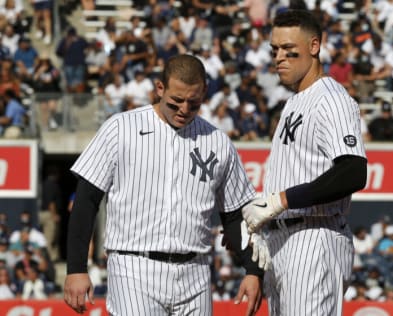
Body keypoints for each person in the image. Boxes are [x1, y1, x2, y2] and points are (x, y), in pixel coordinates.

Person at [64, 54, 268, 316]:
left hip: (196, 271)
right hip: (134, 267)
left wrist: (253, 271)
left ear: (205, 91)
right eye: (176, 102)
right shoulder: (120, 128)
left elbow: (234, 214)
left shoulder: (217, 141)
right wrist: (77, 268)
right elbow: (86, 201)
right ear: (160, 88)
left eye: (193, 103)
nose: (184, 109)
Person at [241, 10, 368, 315]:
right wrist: (256, 267)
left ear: (314, 46)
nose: (279, 57)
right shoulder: (295, 100)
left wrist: (282, 200)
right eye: (275, 50)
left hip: (315, 235)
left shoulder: (332, 99)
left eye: (289, 49)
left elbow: (353, 171)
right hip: (283, 240)